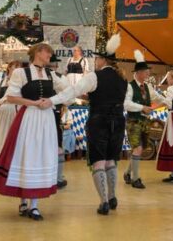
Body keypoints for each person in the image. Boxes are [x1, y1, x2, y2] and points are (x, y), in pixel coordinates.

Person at [0, 43, 68, 221]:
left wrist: (52, 100)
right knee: (26, 156)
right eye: (48, 53)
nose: (50, 56)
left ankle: (35, 206)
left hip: (46, 120)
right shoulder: (20, 73)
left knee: (41, 157)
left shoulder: (51, 74)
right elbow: (10, 97)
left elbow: (68, 92)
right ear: (38, 52)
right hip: (29, 118)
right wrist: (34, 103)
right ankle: (24, 201)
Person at [50, 34, 129, 216]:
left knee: (98, 162)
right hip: (118, 121)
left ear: (102, 60)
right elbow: (117, 99)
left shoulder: (95, 76)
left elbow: (72, 90)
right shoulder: (123, 79)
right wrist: (90, 97)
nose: (95, 62)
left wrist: (52, 100)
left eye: (97, 58)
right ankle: (112, 196)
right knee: (111, 161)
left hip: (99, 121)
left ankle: (103, 203)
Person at [123, 50, 158, 190]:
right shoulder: (130, 86)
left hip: (144, 122)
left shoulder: (148, 86)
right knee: (137, 148)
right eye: (145, 71)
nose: (148, 74)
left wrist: (169, 100)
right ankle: (135, 179)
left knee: (139, 149)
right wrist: (142, 107)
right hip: (133, 121)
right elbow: (125, 104)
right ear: (138, 73)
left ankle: (127, 173)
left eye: (147, 71)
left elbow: (157, 97)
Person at [0, 61, 22, 169]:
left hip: (15, 110)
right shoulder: (1, 81)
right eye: (15, 67)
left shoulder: (21, 82)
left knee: (12, 137)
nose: (17, 70)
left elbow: (10, 96)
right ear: (9, 68)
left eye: (19, 68)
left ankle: (11, 163)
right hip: (2, 112)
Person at [47, 53, 71, 189]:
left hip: (46, 114)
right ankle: (58, 178)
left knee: (52, 145)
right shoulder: (60, 78)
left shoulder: (41, 76)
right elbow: (69, 97)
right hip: (54, 114)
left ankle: (53, 177)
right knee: (57, 145)